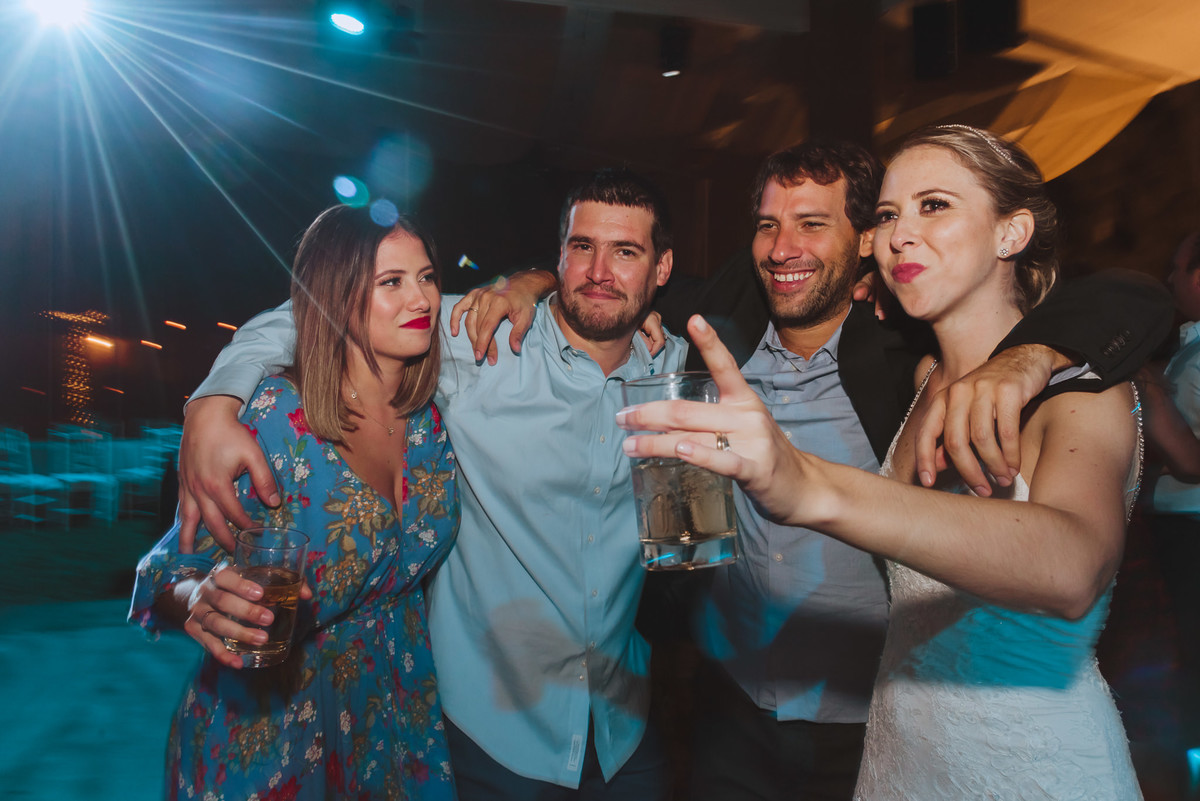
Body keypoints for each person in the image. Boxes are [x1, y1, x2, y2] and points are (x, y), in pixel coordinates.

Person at [451, 140, 1171, 801]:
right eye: (767, 224)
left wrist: (1033, 352)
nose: (783, 246)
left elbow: (1129, 297)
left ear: (862, 246)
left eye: (812, 224)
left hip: (858, 721)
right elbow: (604, 281)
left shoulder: (898, 356)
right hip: (730, 705)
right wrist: (532, 282)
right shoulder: (716, 332)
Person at [173, 169, 688, 799]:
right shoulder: (479, 340)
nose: (600, 270)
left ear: (662, 269)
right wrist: (213, 403)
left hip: (617, 722)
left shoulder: (677, 370)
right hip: (487, 731)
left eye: (626, 252)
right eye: (582, 247)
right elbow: (307, 312)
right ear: (559, 256)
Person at [129, 206, 460, 800]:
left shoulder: (428, 424)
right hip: (268, 729)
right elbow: (166, 570)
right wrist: (201, 598)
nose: (423, 300)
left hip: (392, 714)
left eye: (428, 277)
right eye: (393, 282)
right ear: (337, 296)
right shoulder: (277, 417)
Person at [1143, 231, 1200, 760]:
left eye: (1179, 268)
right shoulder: (1190, 347)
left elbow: (1191, 459)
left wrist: (1150, 394)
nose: (1169, 279)